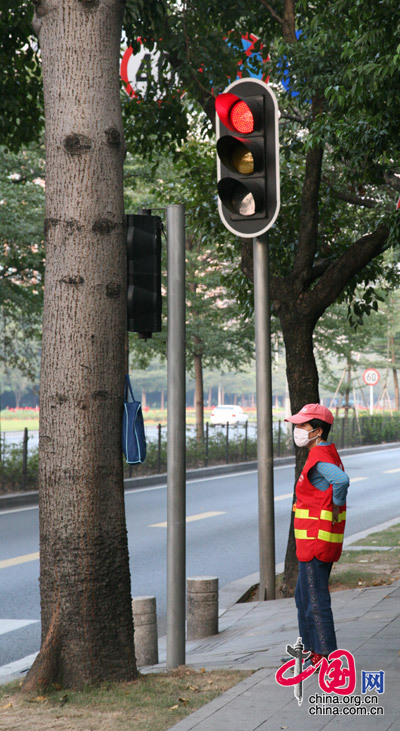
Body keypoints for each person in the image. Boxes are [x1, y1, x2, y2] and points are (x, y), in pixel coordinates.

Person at [285, 403, 350, 668]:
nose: (297, 430)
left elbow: (342, 481)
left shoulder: (321, 458)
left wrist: (335, 503)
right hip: (311, 542)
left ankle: (325, 656)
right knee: (303, 598)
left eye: (303, 425)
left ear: (318, 431)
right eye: (297, 425)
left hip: (315, 542)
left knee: (315, 600)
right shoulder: (321, 453)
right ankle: (310, 650)